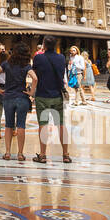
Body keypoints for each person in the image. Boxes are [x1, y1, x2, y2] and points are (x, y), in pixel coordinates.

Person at [31, 36, 70, 164]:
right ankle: (65, 154)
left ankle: (42, 155)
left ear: (44, 45)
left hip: (42, 95)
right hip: (57, 95)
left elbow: (35, 74)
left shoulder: (38, 57)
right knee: (61, 125)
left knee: (43, 126)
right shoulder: (61, 58)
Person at [0, 42, 34, 161]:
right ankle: (20, 154)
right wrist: (31, 92)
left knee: (8, 125)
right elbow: (36, 78)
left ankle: (7, 153)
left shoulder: (7, 64)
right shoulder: (26, 66)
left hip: (8, 97)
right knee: (21, 126)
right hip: (22, 97)